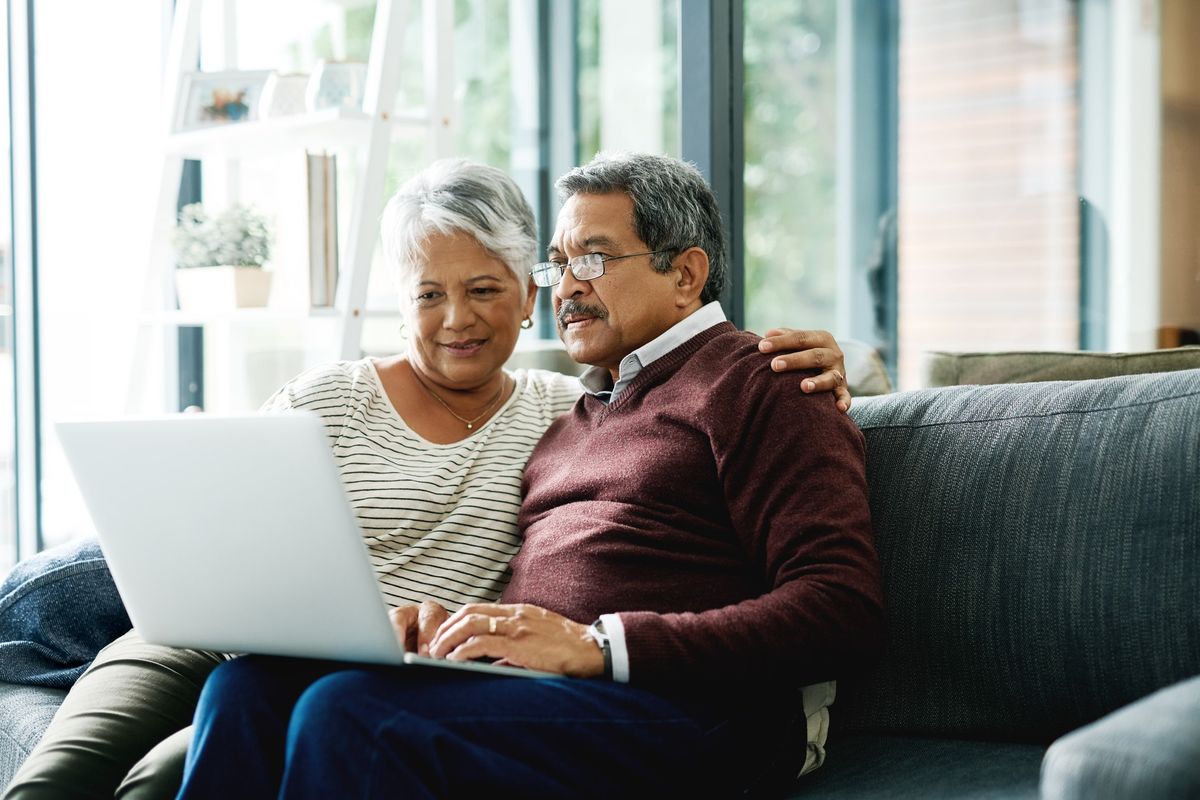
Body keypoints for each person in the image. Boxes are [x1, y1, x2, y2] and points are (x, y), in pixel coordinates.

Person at [2, 158, 849, 800]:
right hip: (524, 682)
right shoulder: (585, 409)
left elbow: (841, 607)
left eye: (589, 260)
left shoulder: (765, 380)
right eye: (561, 265)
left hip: (694, 706)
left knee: (345, 714)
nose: (564, 290)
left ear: (686, 274)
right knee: (248, 686)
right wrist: (448, 630)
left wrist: (596, 646)